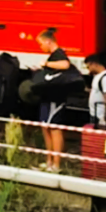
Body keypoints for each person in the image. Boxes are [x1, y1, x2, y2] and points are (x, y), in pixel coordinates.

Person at [34, 30, 71, 171]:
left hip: (55, 98)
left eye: (41, 44)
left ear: (48, 41)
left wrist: (46, 64)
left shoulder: (59, 54)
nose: (40, 47)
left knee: (55, 129)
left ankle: (56, 164)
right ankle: (49, 161)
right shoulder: (52, 56)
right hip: (47, 97)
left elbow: (65, 65)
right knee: (46, 128)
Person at [85, 53, 106, 129]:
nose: (88, 69)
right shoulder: (97, 76)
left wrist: (105, 118)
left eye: (88, 66)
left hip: (101, 117)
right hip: (95, 115)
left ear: (94, 64)